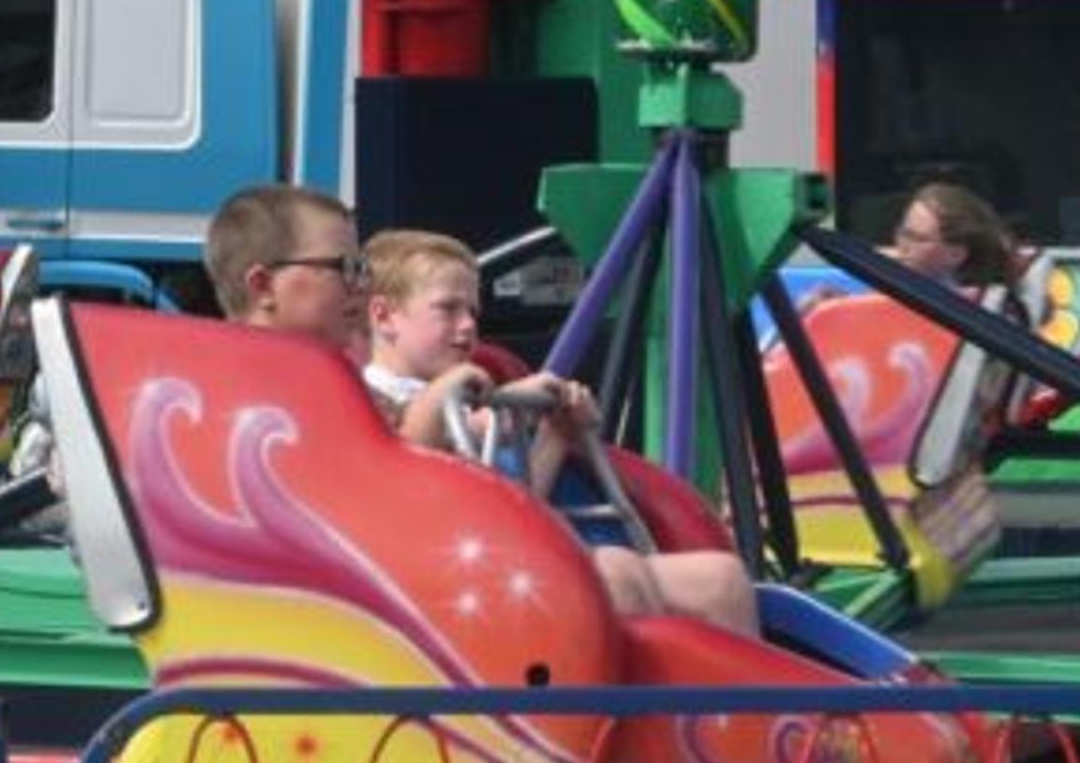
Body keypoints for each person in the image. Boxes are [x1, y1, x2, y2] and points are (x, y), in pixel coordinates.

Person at [360, 228, 759, 638]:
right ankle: (639, 680)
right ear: (384, 316)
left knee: (721, 578)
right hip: (433, 583)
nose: (467, 326)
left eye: (473, 312)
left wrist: (558, 433)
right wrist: (482, 405)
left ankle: (743, 680)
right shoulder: (363, 401)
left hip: (507, 556)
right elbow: (397, 476)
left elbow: (519, 510)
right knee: (615, 571)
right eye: (447, 309)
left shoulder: (474, 400)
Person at [203, 182, 368, 357]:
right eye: (341, 266)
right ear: (263, 286)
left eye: (358, 268)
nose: (360, 286)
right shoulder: (215, 373)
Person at [888, 179, 1021, 291]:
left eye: (919, 239)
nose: (904, 246)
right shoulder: (880, 273)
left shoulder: (981, 306)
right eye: (904, 233)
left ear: (956, 255)